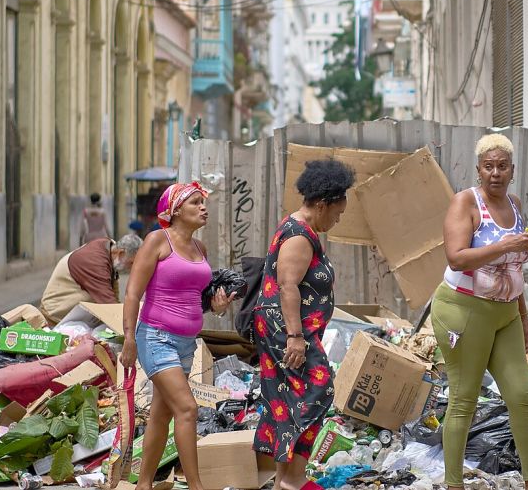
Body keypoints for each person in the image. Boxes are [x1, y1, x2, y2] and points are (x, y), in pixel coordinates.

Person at [434, 134, 528, 490]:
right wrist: (507, 243)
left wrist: (525, 318)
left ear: (512, 170)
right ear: (479, 170)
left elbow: (514, 268)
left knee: (522, 392)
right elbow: (456, 256)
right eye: (489, 166)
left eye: (502, 166)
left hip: (506, 313)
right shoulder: (465, 202)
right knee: (465, 397)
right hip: (464, 311)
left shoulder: (514, 205)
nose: (495, 173)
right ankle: (454, 484)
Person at [120, 182, 237, 490]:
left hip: (187, 343)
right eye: (195, 202)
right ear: (174, 211)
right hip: (155, 338)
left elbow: (197, 301)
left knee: (161, 415)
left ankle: (144, 484)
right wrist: (129, 338)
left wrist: (218, 308)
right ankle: (197, 486)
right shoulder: (158, 241)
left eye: (203, 202)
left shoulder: (201, 250)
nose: (203, 207)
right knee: (187, 408)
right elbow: (133, 292)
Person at [253, 159, 355, 490]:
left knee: (287, 400)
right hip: (287, 331)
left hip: (289, 329)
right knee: (320, 388)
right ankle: (293, 479)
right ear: (322, 204)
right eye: (337, 212)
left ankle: (287, 479)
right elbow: (287, 285)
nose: (337, 220)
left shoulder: (302, 230)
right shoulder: (298, 235)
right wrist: (295, 337)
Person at [40, 234, 142, 325]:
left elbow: (113, 296)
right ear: (121, 253)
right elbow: (110, 305)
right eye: (131, 263)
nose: (131, 268)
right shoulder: (94, 262)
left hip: (76, 318)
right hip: (55, 317)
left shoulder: (111, 249)